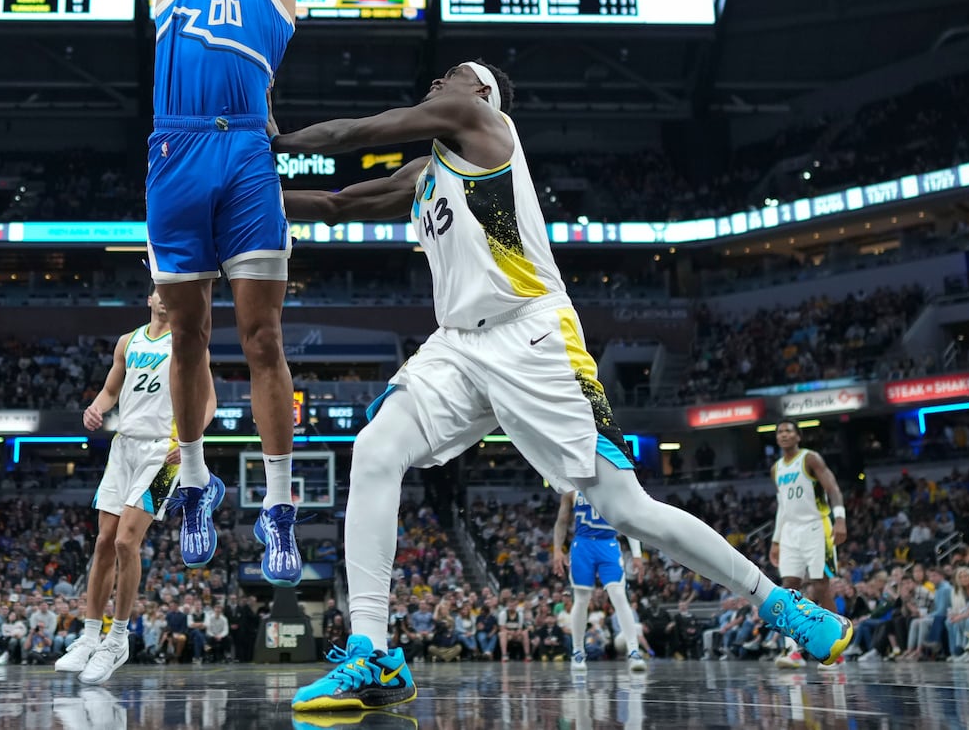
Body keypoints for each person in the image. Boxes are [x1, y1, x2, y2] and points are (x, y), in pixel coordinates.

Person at [279, 63, 853, 711]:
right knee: (374, 448)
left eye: (456, 74)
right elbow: (335, 204)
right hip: (459, 344)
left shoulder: (484, 126)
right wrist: (246, 192)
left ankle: (778, 602)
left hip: (533, 336)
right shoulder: (426, 172)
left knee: (626, 508)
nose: (441, 79)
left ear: (484, 94)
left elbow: (357, 130)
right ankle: (371, 652)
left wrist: (274, 141)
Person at [146, 0, 309, 584]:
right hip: (174, 156)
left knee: (264, 339)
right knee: (186, 336)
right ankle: (198, 478)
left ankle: (280, 504)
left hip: (246, 155)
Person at [54, 290, 214, 686]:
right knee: (104, 542)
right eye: (160, 294)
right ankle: (90, 636)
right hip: (124, 446)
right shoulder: (128, 341)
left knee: (127, 543)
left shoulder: (189, 339)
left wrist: (191, 441)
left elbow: (208, 399)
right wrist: (96, 407)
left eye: (172, 295)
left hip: (164, 450)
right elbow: (111, 390)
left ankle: (118, 638)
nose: (166, 300)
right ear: (149, 298)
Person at [768, 419, 847, 669]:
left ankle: (836, 646)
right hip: (791, 530)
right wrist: (776, 539)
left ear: (798, 436)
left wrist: (840, 519)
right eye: (780, 431)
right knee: (788, 589)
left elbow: (833, 488)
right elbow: (783, 506)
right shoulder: (776, 468)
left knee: (821, 586)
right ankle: (792, 651)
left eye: (788, 431)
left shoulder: (810, 458)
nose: (784, 434)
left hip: (816, 526)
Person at [552, 491, 648, 673]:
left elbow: (628, 521)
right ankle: (578, 652)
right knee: (581, 599)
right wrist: (557, 549)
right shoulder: (572, 488)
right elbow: (562, 520)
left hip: (608, 544)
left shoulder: (613, 486)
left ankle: (634, 650)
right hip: (583, 545)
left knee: (619, 597)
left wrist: (636, 554)